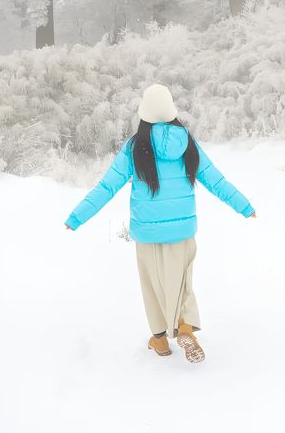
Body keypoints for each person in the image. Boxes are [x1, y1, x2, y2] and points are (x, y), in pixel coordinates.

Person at [65, 83, 256, 363]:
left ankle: (160, 340)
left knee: (153, 285)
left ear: (144, 113)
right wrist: (244, 206)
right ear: (171, 111)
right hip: (183, 232)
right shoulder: (187, 143)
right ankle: (186, 326)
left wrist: (76, 217)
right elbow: (216, 181)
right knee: (183, 282)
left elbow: (106, 187)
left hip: (148, 232)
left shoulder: (135, 147)